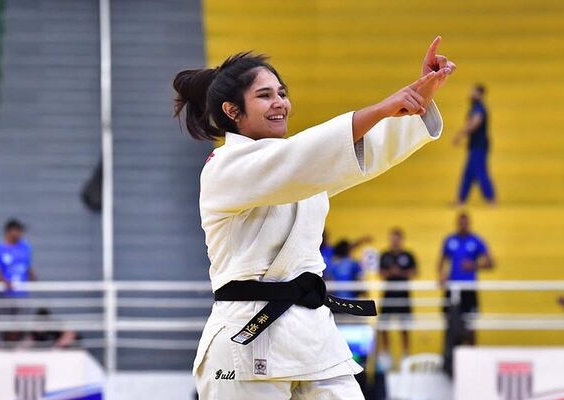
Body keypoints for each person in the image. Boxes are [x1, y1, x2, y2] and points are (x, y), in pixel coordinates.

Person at [177, 36, 455, 399]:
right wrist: (383, 107)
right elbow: (302, 158)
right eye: (264, 96)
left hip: (312, 334)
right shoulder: (224, 168)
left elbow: (360, 154)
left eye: (282, 92)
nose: (280, 103)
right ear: (232, 111)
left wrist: (417, 103)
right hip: (245, 336)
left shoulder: (302, 170)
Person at [438, 212, 494, 344]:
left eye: (465, 223)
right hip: (453, 287)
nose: (463, 225)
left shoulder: (476, 240)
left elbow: (491, 263)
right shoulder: (450, 240)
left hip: (469, 287)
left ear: (469, 223)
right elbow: (441, 261)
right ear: (457, 223)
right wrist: (442, 274)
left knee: (470, 325)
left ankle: (471, 356)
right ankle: (450, 355)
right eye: (460, 222)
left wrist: (475, 265)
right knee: (449, 321)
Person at [0, 219, 36, 341]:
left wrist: (32, 277)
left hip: (22, 293)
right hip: (5, 294)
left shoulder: (26, 247)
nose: (20, 234)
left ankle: (16, 350)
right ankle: (6, 349)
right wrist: (4, 282)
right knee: (5, 325)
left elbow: (28, 266)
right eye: (18, 231)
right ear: (10, 231)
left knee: (20, 324)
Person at [452, 84, 495, 205]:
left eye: (473, 92)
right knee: (468, 173)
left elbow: (474, 124)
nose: (470, 94)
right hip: (474, 145)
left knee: (480, 171)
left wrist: (460, 135)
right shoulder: (475, 107)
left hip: (479, 145)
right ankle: (461, 199)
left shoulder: (479, 108)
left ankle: (491, 199)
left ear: (479, 94)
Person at [378, 228, 417, 357]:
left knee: (404, 326)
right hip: (388, 294)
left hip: (403, 294)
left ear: (401, 240)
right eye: (392, 239)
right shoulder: (385, 255)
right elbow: (380, 273)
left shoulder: (408, 255)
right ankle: (386, 353)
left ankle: (406, 353)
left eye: (396, 239)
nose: (394, 242)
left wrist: (400, 273)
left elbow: (415, 272)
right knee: (384, 324)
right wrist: (390, 273)